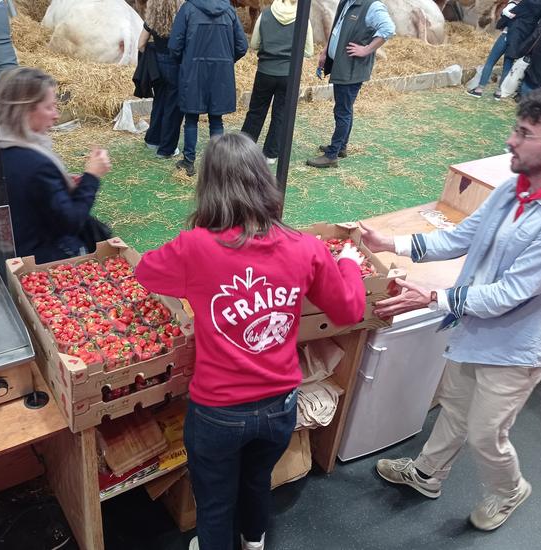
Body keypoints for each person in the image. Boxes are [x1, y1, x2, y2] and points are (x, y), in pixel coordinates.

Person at [361, 86, 541, 532]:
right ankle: (428, 474)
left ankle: (510, 490)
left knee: (484, 433)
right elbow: (461, 236)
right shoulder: (518, 185)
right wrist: (390, 242)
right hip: (475, 325)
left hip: (518, 346)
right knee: (454, 407)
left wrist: (434, 297)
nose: (510, 140)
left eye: (523, 132)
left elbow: (512, 293)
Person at [135, 132, 365, 550]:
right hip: (280, 405)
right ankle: (254, 540)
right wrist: (346, 263)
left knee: (215, 499)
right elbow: (349, 310)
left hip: (218, 410)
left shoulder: (194, 247)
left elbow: (147, 272)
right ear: (265, 181)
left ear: (208, 188)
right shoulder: (306, 247)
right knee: (258, 480)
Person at [0, 67, 111, 263]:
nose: (56, 115)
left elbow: (26, 196)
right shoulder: (35, 163)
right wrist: (91, 176)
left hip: (4, 250)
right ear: (24, 111)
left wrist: (59, 186)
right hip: (38, 260)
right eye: (49, 107)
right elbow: (71, 222)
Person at [307, 0, 395, 168]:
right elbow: (337, 29)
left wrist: (367, 49)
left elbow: (389, 29)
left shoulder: (372, 6)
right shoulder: (347, 2)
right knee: (345, 108)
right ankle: (342, 146)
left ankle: (332, 155)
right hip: (342, 65)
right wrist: (326, 51)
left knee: (342, 111)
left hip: (351, 70)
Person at [169, 0, 248, 176]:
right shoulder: (229, 11)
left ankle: (188, 161)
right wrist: (226, 60)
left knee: (191, 118)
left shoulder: (188, 8)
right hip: (221, 74)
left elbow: (174, 45)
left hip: (193, 72)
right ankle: (217, 164)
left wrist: (185, 61)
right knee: (216, 119)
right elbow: (242, 46)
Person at [240, 0, 313, 163]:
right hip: (289, 75)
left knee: (255, 112)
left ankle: (244, 150)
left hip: (265, 72)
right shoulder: (303, 18)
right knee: (281, 114)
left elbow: (254, 44)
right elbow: (308, 51)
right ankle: (271, 154)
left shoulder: (265, 14)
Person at [139, 0, 184, 159]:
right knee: (174, 106)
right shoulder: (183, 18)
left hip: (157, 66)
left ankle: (152, 140)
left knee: (159, 101)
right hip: (175, 64)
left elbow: (141, 45)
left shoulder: (151, 18)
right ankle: (167, 149)